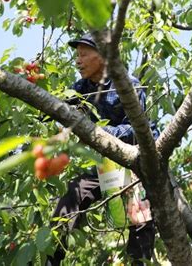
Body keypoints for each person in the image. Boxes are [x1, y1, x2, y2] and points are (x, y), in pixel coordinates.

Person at [47, 33, 159, 265]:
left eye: (84, 54)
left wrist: (100, 133)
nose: (78, 61)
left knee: (140, 216)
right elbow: (61, 116)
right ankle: (50, 259)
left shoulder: (128, 85)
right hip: (105, 168)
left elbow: (140, 130)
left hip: (132, 163)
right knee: (74, 193)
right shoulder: (80, 89)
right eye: (77, 55)